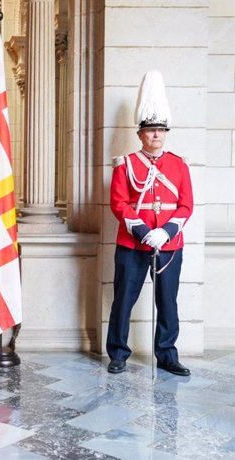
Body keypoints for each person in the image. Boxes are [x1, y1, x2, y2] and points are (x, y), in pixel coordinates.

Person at [106, 70, 193, 376]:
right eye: (151, 130)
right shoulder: (126, 165)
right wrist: (144, 231)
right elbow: (119, 203)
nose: (156, 135)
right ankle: (118, 353)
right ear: (140, 134)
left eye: (161, 130)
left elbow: (186, 205)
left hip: (169, 244)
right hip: (132, 242)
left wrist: (166, 231)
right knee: (123, 300)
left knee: (167, 301)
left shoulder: (179, 165)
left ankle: (167, 354)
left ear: (166, 134)